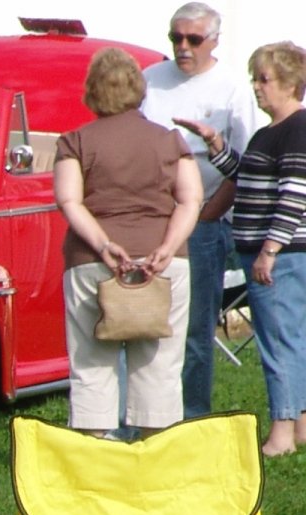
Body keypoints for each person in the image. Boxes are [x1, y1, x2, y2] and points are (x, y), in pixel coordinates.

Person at [55, 48, 203, 437]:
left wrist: (104, 245)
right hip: (163, 264)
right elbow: (191, 199)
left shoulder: (74, 141)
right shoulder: (170, 140)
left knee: (91, 362)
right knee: (159, 364)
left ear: (91, 92)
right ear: (140, 90)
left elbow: (69, 200)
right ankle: (156, 455)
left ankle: (94, 454)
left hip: (92, 264)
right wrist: (168, 248)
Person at [182, 43, 306, 456]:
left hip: (280, 257)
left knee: (277, 342)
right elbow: (247, 175)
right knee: (293, 339)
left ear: (291, 84)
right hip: (279, 255)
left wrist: (270, 249)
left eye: (264, 79)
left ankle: (283, 432)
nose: (256, 87)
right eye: (255, 78)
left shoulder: (295, 130)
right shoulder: (268, 133)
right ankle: (300, 425)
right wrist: (216, 145)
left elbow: (294, 195)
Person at [141, 3, 261, 417]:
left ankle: (191, 414)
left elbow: (245, 165)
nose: (183, 47)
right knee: (143, 321)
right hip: (151, 218)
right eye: (176, 38)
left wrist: (208, 215)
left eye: (193, 39)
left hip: (205, 222)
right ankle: (146, 413)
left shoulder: (231, 88)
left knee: (195, 329)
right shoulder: (150, 81)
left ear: (214, 41)